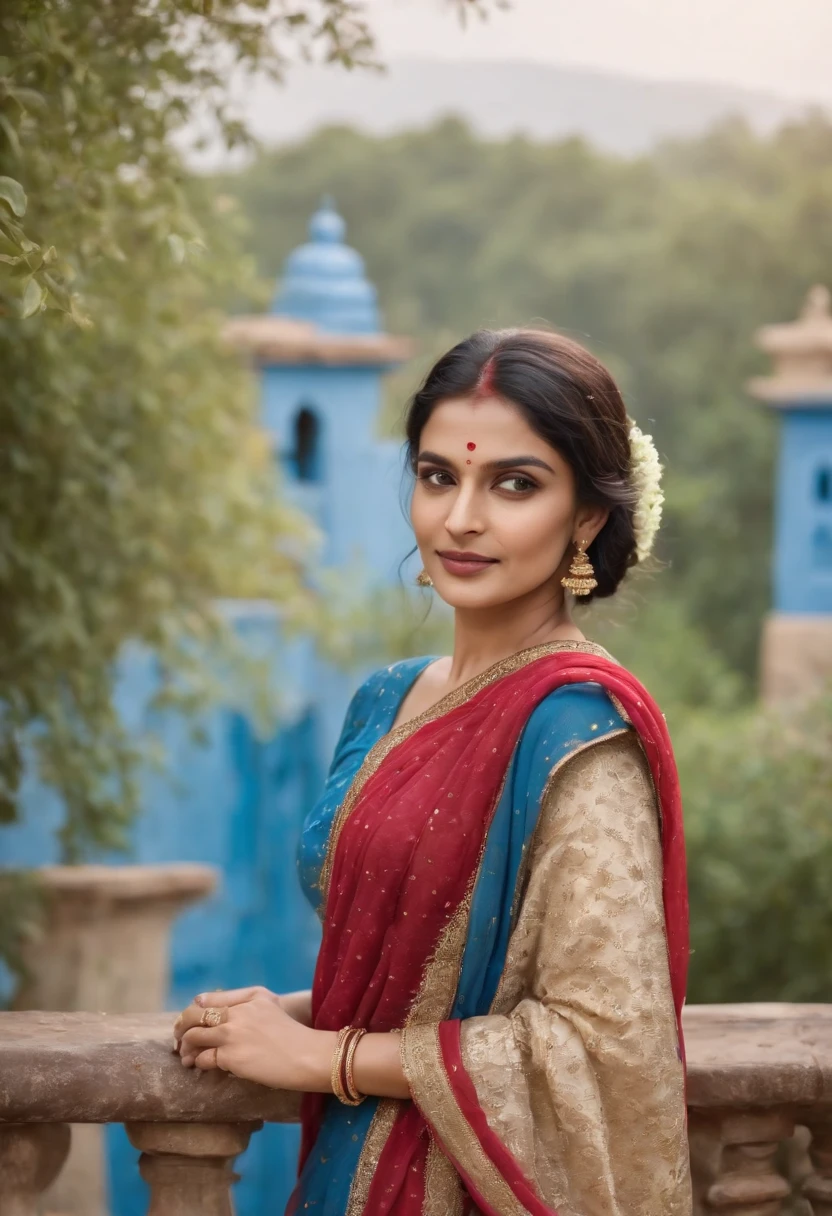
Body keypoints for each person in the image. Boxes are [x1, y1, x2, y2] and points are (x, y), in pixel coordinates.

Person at [173, 328, 692, 1215]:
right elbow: (422, 977)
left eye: (514, 484)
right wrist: (293, 1013)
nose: (461, 518)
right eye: (438, 475)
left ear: (589, 517)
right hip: (346, 1174)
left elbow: (603, 1041)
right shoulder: (384, 701)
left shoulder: (575, 730)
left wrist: (322, 1059)